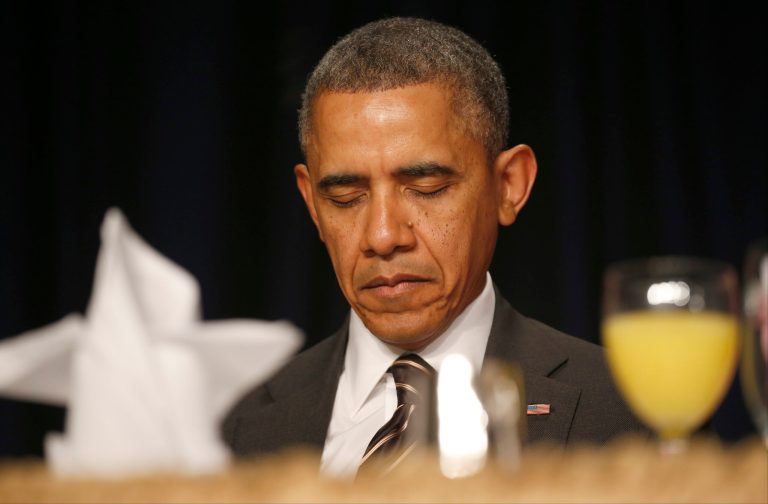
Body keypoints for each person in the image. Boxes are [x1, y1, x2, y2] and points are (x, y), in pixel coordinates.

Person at [223, 17, 642, 477]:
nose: (382, 236)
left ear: (509, 185)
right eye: (345, 197)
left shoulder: (628, 408)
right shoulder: (229, 424)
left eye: (426, 187)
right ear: (311, 204)